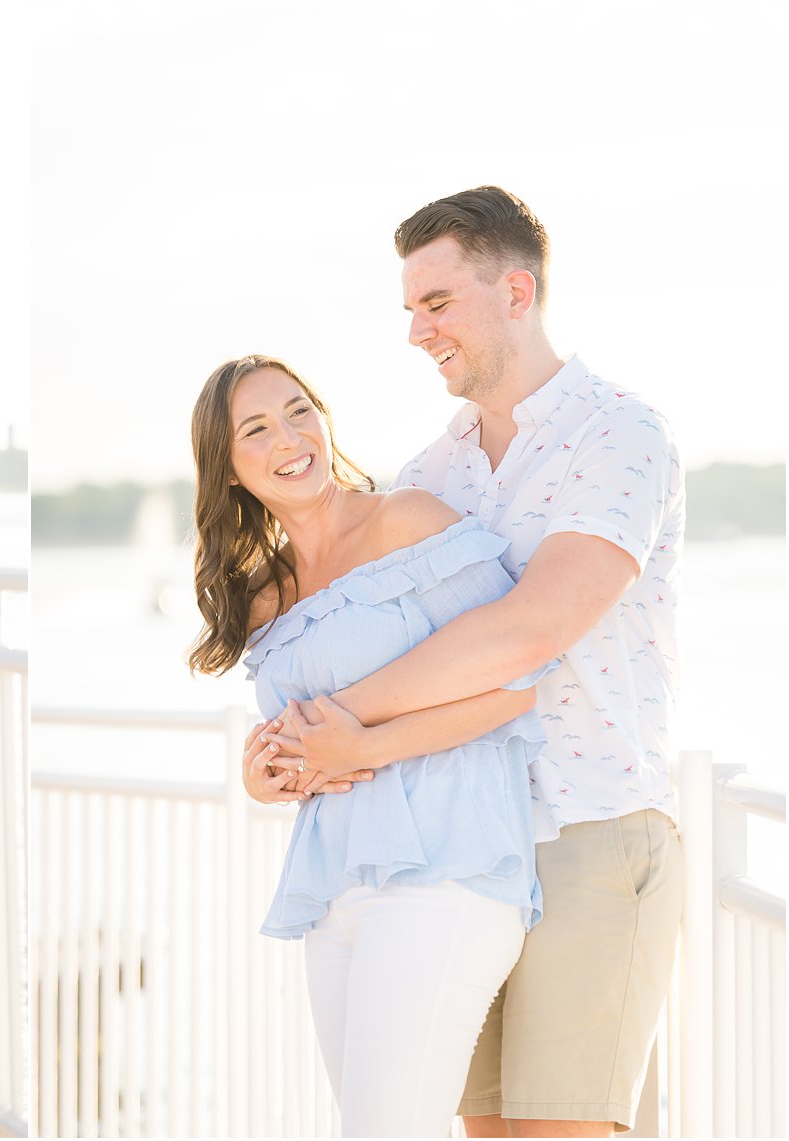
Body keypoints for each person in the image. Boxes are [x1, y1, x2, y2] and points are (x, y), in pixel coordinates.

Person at [246, 187, 684, 1137]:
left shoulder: (619, 434)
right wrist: (281, 748)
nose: (416, 330)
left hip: (587, 824)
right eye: (409, 307)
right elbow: (341, 634)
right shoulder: (425, 476)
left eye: (436, 303)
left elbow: (532, 628)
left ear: (516, 292)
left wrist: (347, 721)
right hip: (451, 850)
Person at [191, 354, 548, 1137]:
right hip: (335, 891)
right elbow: (305, 743)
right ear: (229, 472)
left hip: (447, 869)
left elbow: (519, 680)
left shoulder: (408, 521)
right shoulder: (263, 598)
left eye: (298, 410)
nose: (290, 437)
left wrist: (364, 748)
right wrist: (266, 777)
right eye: (257, 428)